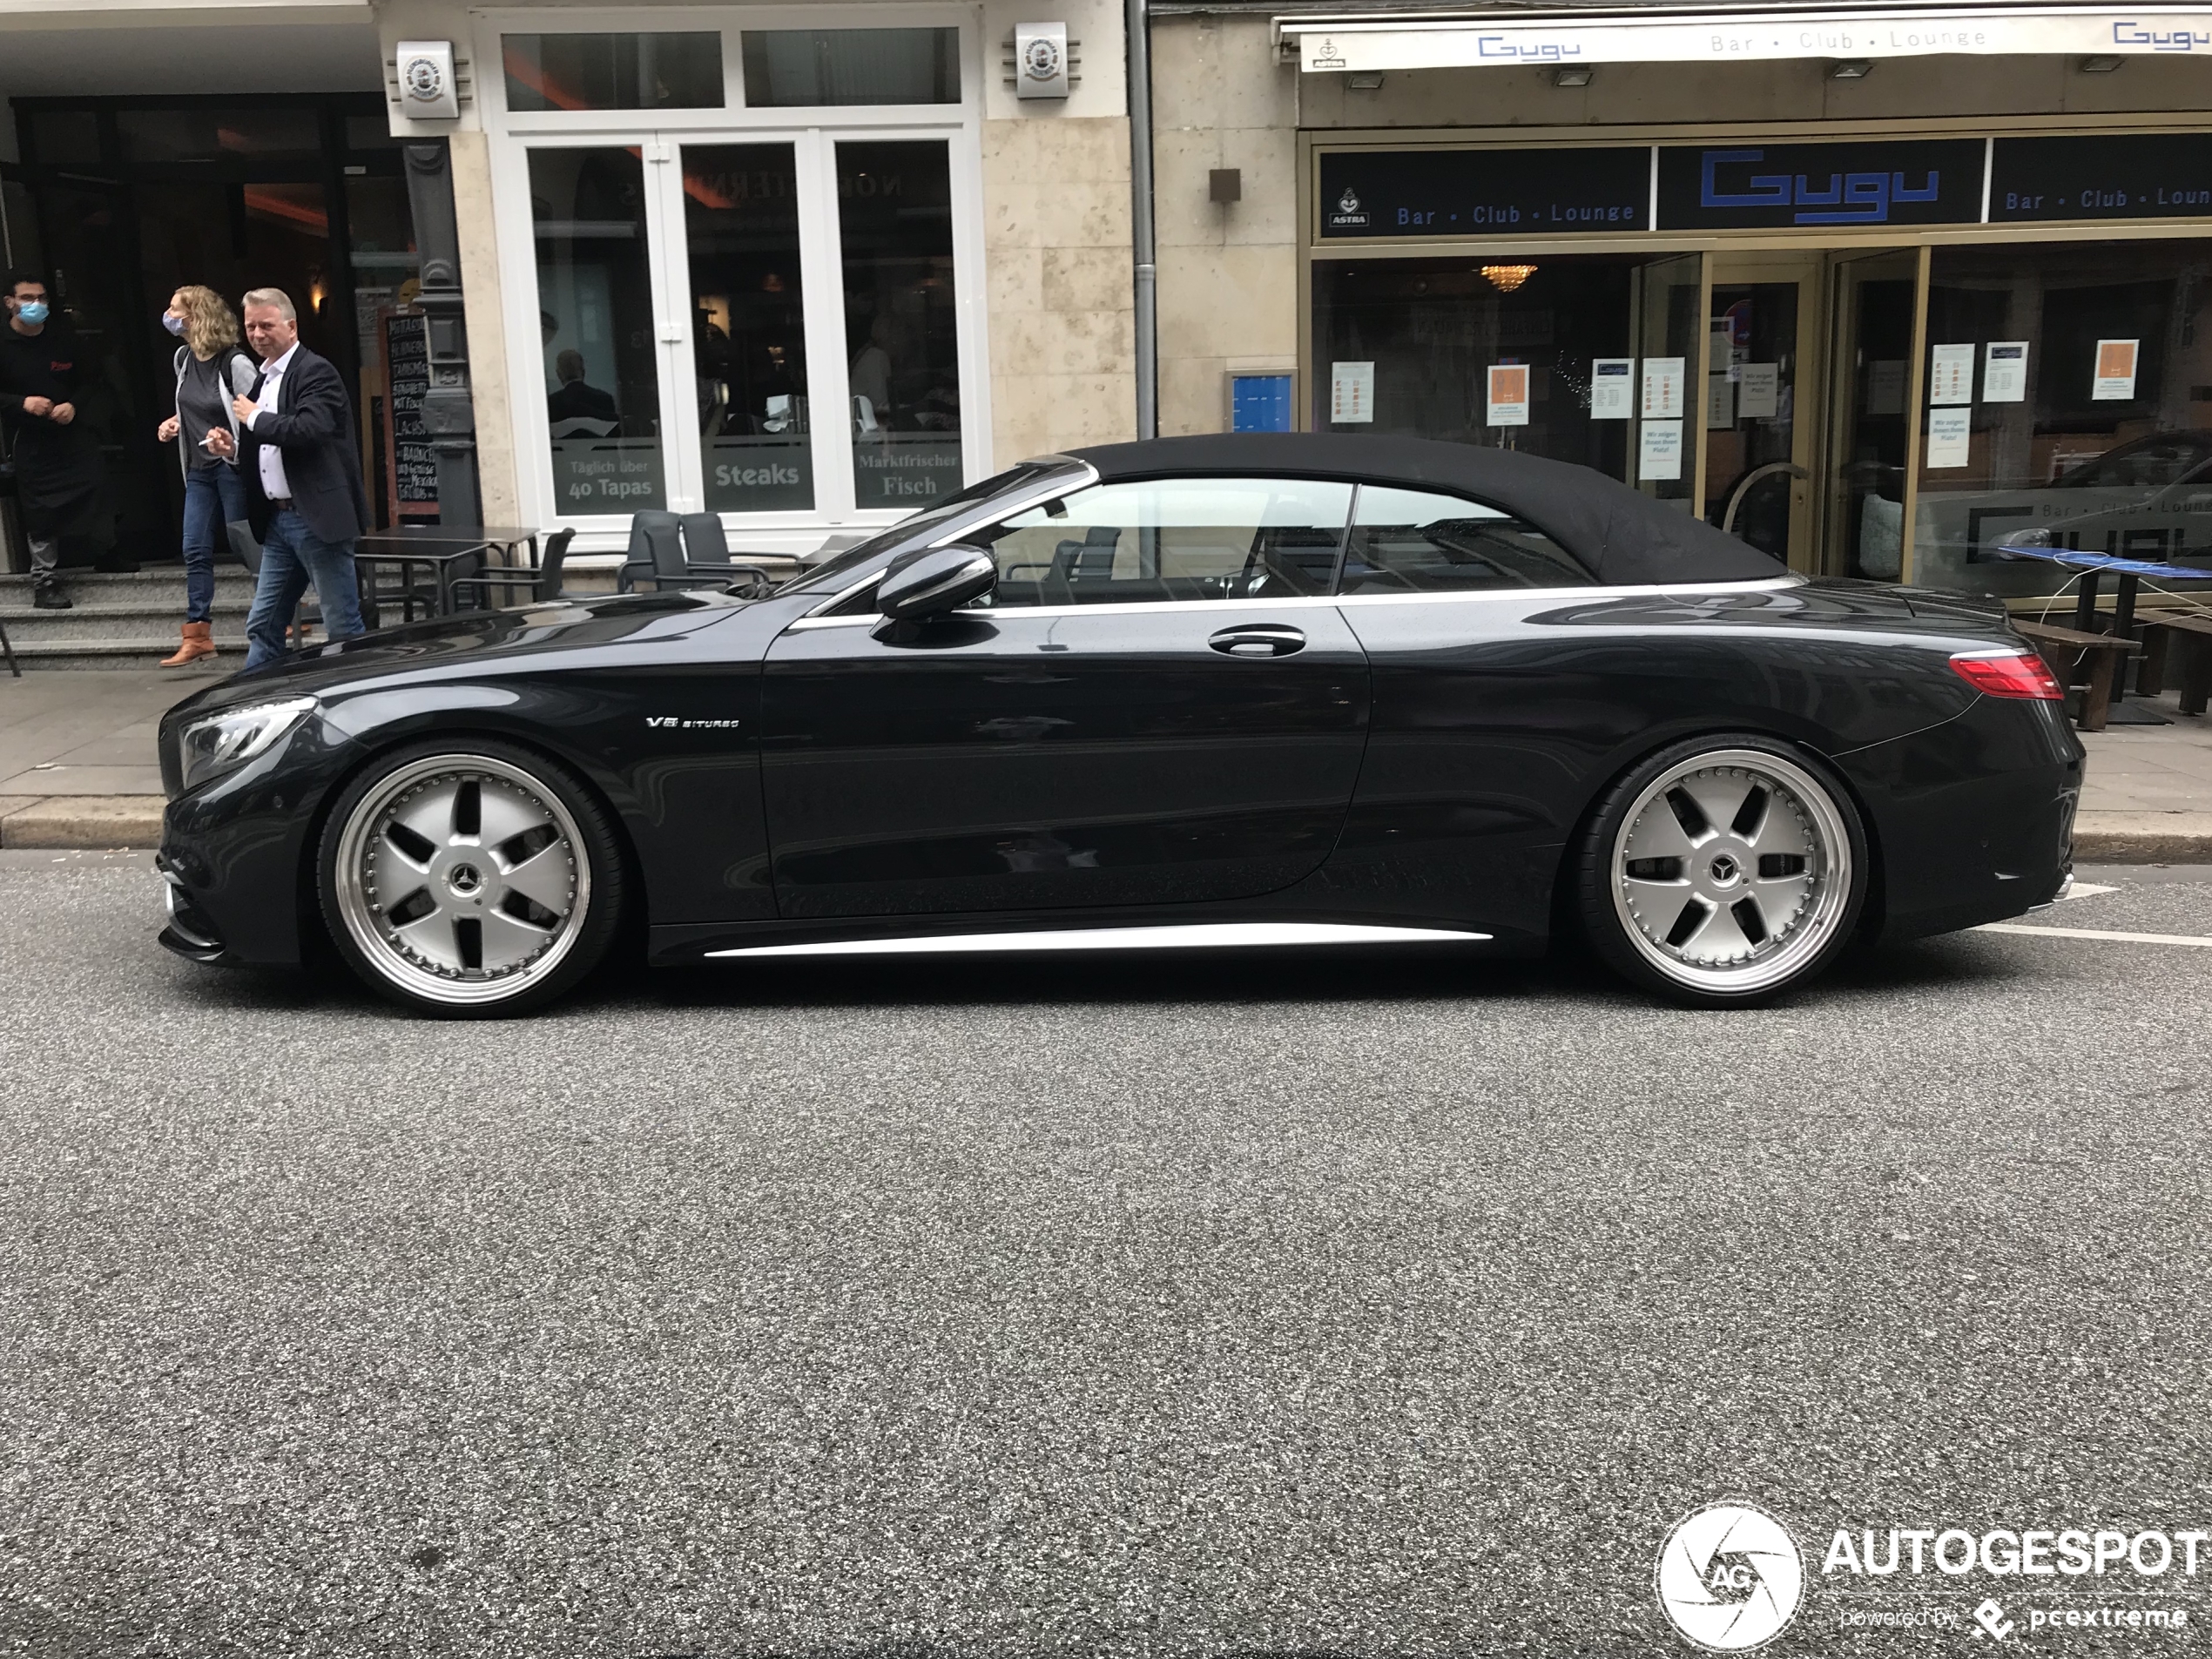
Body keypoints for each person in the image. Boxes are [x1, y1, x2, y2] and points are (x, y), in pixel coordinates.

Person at [204, 287, 370, 671]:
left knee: (342, 624)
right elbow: (266, 446)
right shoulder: (264, 379)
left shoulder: (315, 371)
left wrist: (254, 418)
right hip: (278, 521)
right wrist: (230, 449)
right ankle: (254, 702)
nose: (258, 334)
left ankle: (357, 699)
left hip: (315, 516)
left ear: (291, 327)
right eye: (250, 327)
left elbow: (310, 429)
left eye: (266, 325)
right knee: (264, 624)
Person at [153, 285, 259, 666]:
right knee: (194, 547)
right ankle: (197, 633)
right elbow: (193, 406)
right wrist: (175, 423)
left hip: (231, 467)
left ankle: (279, 613)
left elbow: (259, 417)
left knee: (246, 542)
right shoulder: (183, 358)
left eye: (174, 309)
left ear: (196, 317)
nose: (168, 315)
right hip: (199, 469)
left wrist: (232, 442)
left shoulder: (235, 363)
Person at [0, 271, 109, 610]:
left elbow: (91, 379)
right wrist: (22, 403)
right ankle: (44, 580)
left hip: (70, 431)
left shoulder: (64, 339)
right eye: (27, 298)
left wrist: (74, 405)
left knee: (96, 484)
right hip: (28, 436)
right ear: (9, 303)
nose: (36, 305)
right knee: (40, 508)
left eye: (42, 298)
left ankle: (107, 552)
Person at [546, 348, 618, 435]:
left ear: (559, 374)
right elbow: (614, 437)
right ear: (583, 371)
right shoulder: (604, 399)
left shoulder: (552, 403)